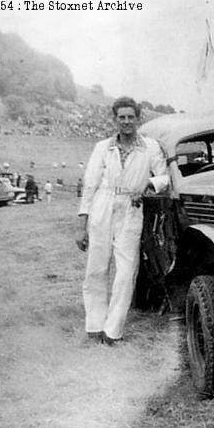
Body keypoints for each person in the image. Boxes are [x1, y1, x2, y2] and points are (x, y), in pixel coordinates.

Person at [75, 96, 169, 345]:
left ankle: (113, 330)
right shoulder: (102, 147)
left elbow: (164, 177)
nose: (126, 122)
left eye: (131, 117)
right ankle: (94, 324)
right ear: (114, 119)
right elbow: (90, 184)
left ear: (139, 119)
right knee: (96, 268)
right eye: (121, 117)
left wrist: (147, 184)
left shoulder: (150, 147)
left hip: (131, 207)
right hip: (102, 206)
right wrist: (82, 224)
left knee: (126, 271)